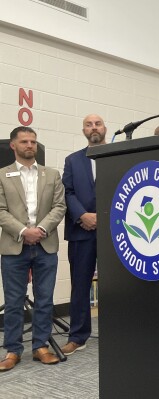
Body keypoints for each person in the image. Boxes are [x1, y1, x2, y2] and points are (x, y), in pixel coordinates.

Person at [0, 126, 66, 371]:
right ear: (13, 145)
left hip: (45, 245)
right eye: (25, 141)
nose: (30, 145)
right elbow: (0, 211)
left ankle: (40, 347)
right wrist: (23, 231)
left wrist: (40, 230)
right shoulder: (1, 175)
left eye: (33, 141)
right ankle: (12, 351)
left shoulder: (52, 175)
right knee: (14, 301)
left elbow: (59, 206)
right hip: (13, 247)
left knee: (45, 299)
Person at [60, 114, 106, 356]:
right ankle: (78, 336)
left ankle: (119, 332)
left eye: (98, 123)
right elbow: (67, 192)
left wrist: (103, 216)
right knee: (80, 286)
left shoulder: (119, 155)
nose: (94, 127)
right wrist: (83, 216)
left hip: (113, 232)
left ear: (105, 128)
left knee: (120, 286)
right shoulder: (73, 160)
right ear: (84, 130)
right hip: (81, 232)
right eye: (89, 124)